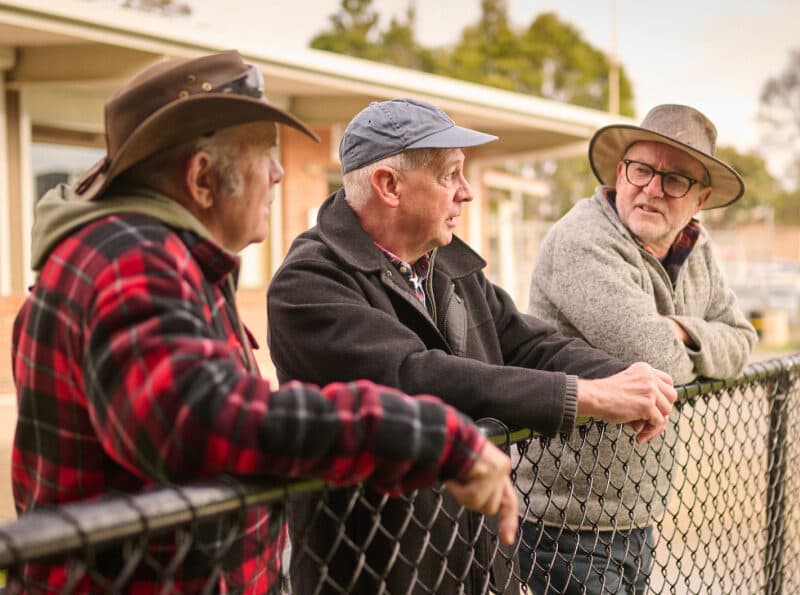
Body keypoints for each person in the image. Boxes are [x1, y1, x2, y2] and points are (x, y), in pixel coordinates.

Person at [10, 52, 521, 594]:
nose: (278, 173)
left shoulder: (159, 257)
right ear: (202, 178)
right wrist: (430, 438)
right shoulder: (131, 260)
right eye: (263, 156)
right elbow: (202, 418)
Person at [267, 98, 679, 595]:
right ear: (388, 186)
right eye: (450, 175)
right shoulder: (309, 282)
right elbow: (415, 374)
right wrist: (584, 397)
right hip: (377, 572)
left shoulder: (446, 265)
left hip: (478, 561)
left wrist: (629, 378)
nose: (467, 194)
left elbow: (530, 343)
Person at [518, 104, 758, 594]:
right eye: (641, 169)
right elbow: (657, 360)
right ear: (620, 170)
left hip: (635, 512)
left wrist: (681, 330)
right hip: (564, 521)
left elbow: (743, 340)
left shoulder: (697, 248)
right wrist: (685, 340)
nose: (651, 188)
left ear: (701, 198)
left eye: (674, 180)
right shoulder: (582, 241)